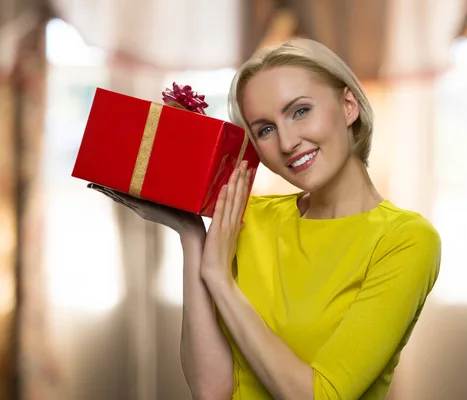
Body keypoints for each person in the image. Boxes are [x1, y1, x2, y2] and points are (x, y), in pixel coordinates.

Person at [91, 38, 441, 399]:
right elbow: (211, 391)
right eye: (265, 129)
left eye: (300, 111)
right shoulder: (248, 218)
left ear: (348, 105)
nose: (288, 142)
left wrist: (219, 279)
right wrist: (192, 235)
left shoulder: (406, 240)